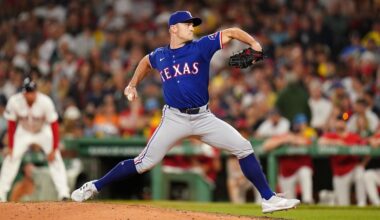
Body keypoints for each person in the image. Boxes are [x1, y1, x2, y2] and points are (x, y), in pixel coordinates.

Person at [71, 11, 300, 213]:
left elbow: (231, 31)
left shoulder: (201, 47)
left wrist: (255, 44)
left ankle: (268, 198)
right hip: (174, 118)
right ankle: (93, 186)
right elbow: (144, 62)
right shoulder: (160, 55)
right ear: (173, 28)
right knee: (144, 163)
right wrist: (132, 84)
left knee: (244, 147)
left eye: (193, 24)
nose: (192, 27)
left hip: (203, 117)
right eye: (187, 24)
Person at [0, 77, 70, 202]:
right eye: (27, 91)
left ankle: (63, 193)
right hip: (23, 131)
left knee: (55, 157)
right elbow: (11, 124)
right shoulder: (15, 101)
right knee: (11, 157)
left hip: (42, 131)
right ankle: (1, 194)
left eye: (31, 91)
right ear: (24, 92)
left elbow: (54, 125)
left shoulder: (45, 102)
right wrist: (11, 146)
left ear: (35, 92)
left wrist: (54, 148)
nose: (29, 94)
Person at [318, 113, 367, 206]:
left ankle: (362, 203)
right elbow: (320, 141)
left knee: (360, 172)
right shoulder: (331, 135)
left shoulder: (354, 136)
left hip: (353, 168)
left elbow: (367, 149)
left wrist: (363, 163)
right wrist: (336, 142)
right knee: (343, 204)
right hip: (339, 172)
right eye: (339, 121)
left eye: (343, 121)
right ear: (335, 123)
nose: (341, 123)